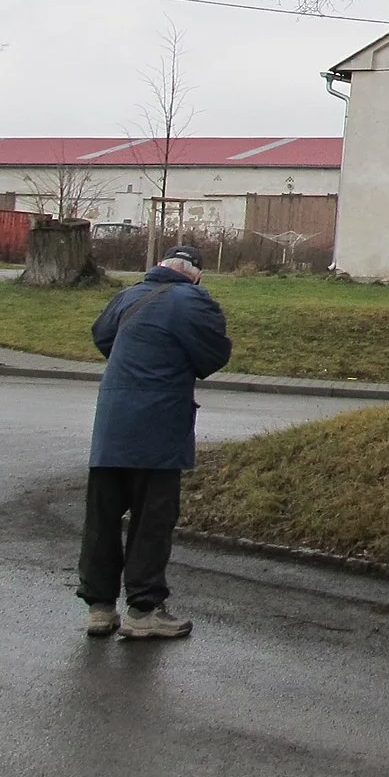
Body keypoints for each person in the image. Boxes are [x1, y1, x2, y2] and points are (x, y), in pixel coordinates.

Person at [77, 244, 231, 640]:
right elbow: (214, 355)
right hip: (159, 425)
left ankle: (99, 608)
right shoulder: (194, 301)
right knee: (152, 519)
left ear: (160, 267)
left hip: (111, 422)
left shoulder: (127, 295)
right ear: (195, 273)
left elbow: (102, 337)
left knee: (103, 518)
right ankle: (143, 610)